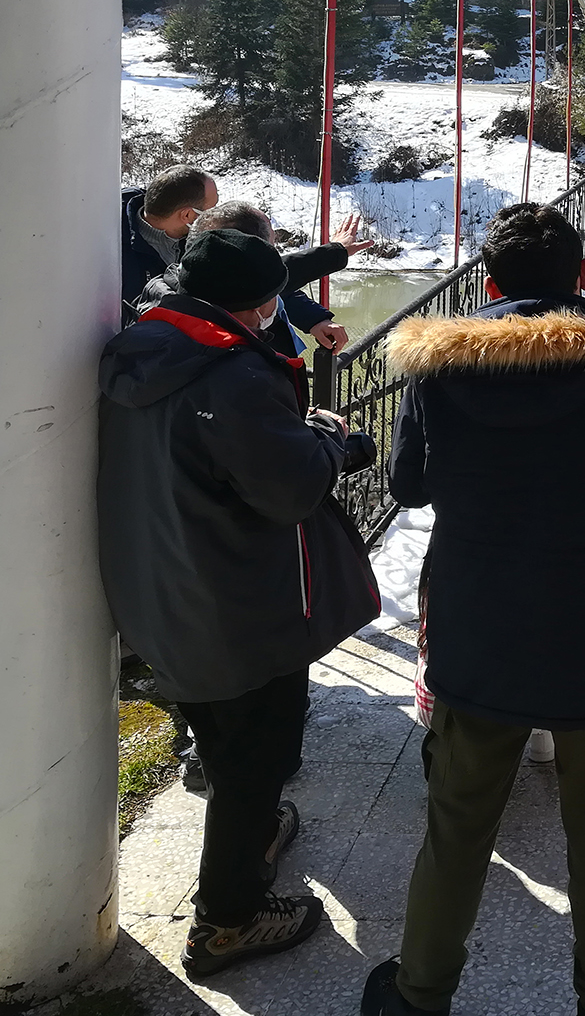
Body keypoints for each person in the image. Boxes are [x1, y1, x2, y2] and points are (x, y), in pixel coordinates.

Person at [361, 203, 585, 1016]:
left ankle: (419, 993)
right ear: (583, 277)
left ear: (493, 284)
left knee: (458, 824)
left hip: (481, 627)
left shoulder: (441, 366)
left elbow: (408, 487)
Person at [97, 228, 381, 978]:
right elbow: (288, 489)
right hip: (239, 603)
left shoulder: (142, 344)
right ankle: (228, 920)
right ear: (253, 307)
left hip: (164, 583)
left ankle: (252, 837)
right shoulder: (230, 377)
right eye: (266, 304)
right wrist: (332, 442)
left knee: (221, 734)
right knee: (259, 751)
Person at [186, 201, 373, 357]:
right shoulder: (231, 364)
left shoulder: (184, 282)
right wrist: (334, 252)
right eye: (270, 245)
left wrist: (314, 319)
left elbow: (275, 284)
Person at [120, 165, 217, 320]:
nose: (214, 216)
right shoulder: (115, 252)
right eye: (211, 210)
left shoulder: (202, 239)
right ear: (187, 215)